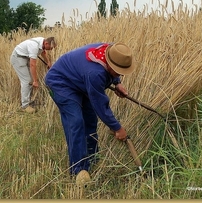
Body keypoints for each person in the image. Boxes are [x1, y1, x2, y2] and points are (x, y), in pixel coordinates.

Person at [45, 42, 136, 184]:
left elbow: (111, 71)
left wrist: (117, 82)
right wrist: (117, 127)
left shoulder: (113, 51)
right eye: (117, 71)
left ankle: (92, 159)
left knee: (90, 120)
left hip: (80, 81)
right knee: (76, 122)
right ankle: (79, 169)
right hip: (60, 82)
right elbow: (100, 105)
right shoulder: (94, 73)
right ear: (110, 65)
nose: (119, 73)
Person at [10, 36, 56, 113]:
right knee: (27, 81)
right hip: (18, 58)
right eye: (50, 48)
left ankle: (28, 101)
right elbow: (32, 65)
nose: (51, 49)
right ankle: (25, 106)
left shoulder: (42, 42)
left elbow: (43, 52)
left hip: (25, 58)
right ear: (46, 43)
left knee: (29, 80)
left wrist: (48, 62)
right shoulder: (34, 46)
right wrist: (35, 81)